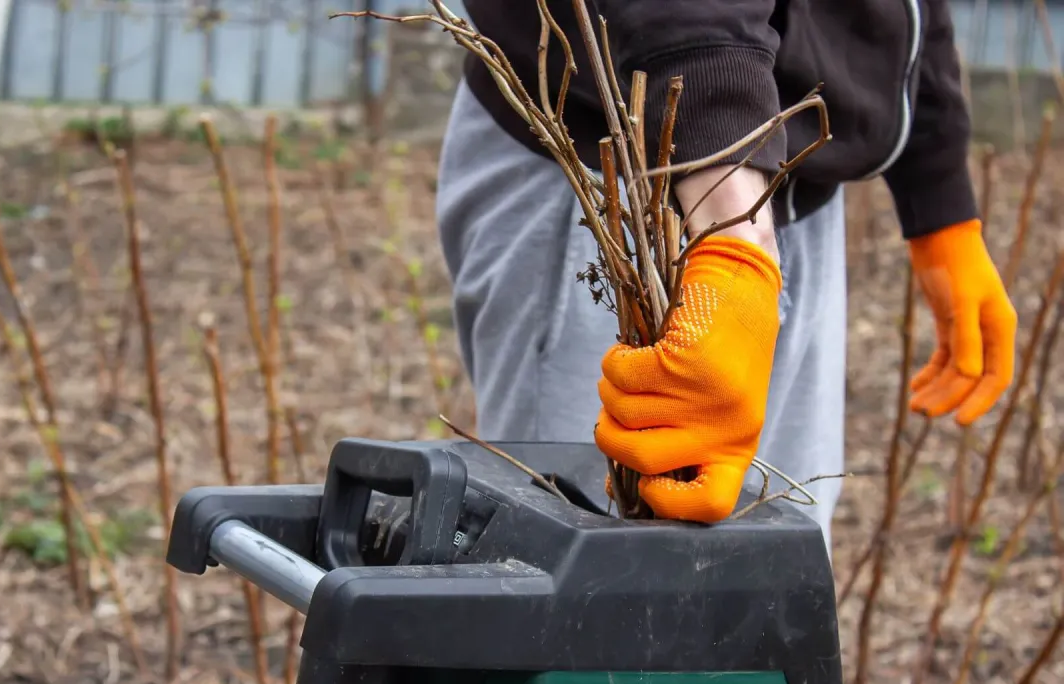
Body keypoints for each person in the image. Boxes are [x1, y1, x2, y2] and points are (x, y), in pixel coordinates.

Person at [435, 0, 1017, 551]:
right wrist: (734, 241)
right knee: (581, 587)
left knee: (767, 579)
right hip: (614, 177)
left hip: (791, 187)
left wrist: (938, 195)